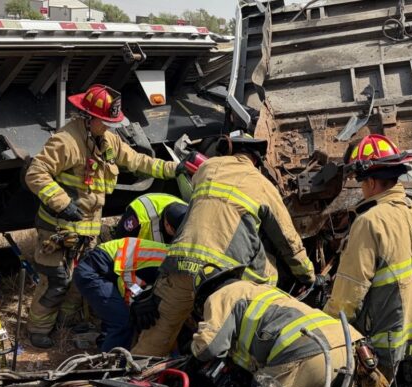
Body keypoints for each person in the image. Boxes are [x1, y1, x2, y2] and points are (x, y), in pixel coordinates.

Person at [131, 133, 316, 357]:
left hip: (177, 267)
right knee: (269, 274)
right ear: (256, 161)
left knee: (154, 338)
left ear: (227, 150)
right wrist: (308, 276)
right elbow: (288, 242)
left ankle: (135, 381)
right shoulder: (264, 186)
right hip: (220, 277)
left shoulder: (208, 168)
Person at [24, 84, 177, 349]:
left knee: (80, 280)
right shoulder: (66, 141)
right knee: (57, 279)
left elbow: (139, 161)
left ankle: (67, 323)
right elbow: (36, 173)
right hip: (59, 228)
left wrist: (175, 169)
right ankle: (37, 329)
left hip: (88, 229)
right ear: (88, 117)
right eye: (104, 122)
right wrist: (61, 203)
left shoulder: (107, 140)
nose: (108, 127)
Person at [323, 134, 412, 381]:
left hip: (381, 346)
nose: (362, 189)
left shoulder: (369, 222)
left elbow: (349, 293)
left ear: (372, 183)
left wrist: (327, 329)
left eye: (361, 182)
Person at [191, 266, 388, 387]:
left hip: (310, 357)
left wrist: (192, 344)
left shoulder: (220, 295)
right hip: (351, 347)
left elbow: (208, 347)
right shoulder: (263, 290)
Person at [72, 237, 170, 352]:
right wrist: (139, 297)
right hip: (94, 272)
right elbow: (126, 275)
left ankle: (105, 348)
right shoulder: (164, 262)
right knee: (121, 321)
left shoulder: (167, 256)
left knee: (118, 314)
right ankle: (112, 364)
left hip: (105, 270)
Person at [113, 192, 188, 243]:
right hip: (138, 212)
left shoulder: (187, 212)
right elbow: (121, 243)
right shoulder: (137, 217)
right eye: (176, 233)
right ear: (167, 225)